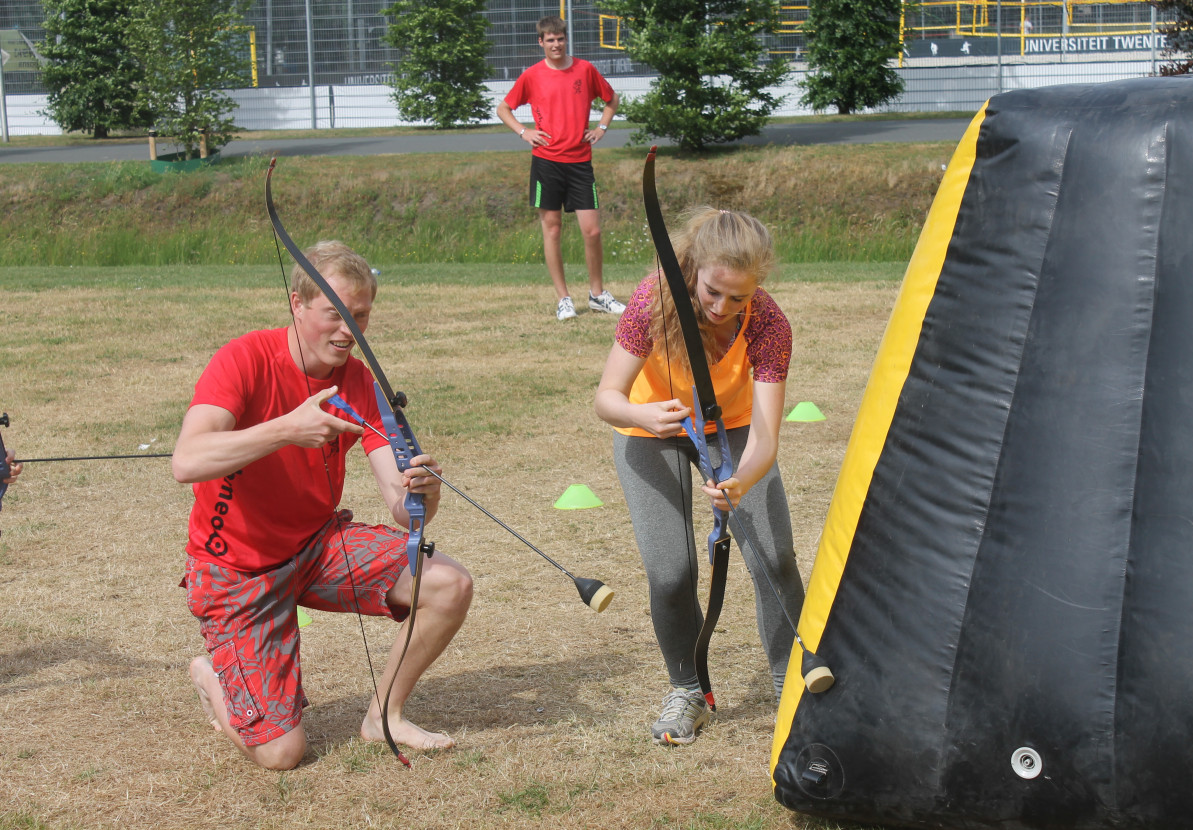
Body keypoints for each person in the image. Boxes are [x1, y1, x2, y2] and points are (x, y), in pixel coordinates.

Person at [172, 240, 473, 770]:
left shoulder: (361, 382)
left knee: (448, 583)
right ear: (296, 304)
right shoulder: (243, 358)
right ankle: (212, 674)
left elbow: (399, 503)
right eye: (334, 314)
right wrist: (288, 428)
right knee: (283, 754)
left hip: (315, 546)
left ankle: (385, 717)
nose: (347, 333)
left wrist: (422, 493)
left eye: (359, 317)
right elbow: (187, 461)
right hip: (237, 570)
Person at [593, 208, 806, 746]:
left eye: (739, 298)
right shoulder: (651, 298)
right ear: (693, 266)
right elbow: (607, 398)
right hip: (648, 428)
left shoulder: (769, 324)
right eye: (713, 291)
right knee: (671, 572)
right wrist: (642, 415)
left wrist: (743, 480)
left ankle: (792, 688)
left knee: (774, 557)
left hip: (731, 430)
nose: (722, 307)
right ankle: (689, 691)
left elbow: (764, 437)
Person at [497, 15, 626, 321]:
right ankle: (564, 299)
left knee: (592, 230)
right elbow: (504, 108)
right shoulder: (531, 75)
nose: (556, 44)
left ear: (566, 40)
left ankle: (597, 295)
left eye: (560, 38)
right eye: (550, 40)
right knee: (552, 229)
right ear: (540, 42)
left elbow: (611, 99)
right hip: (546, 163)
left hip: (580, 162)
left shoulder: (585, 69)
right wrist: (523, 131)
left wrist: (602, 128)